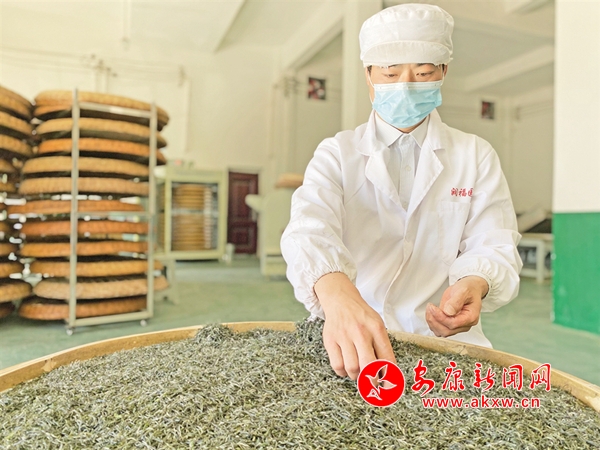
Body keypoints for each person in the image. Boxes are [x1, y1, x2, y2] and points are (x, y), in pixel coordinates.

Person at [280, 4, 522, 381]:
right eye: (390, 73)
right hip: (352, 331)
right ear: (368, 75)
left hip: (440, 340)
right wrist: (338, 296)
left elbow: (495, 242)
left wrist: (476, 281)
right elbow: (308, 229)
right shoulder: (338, 153)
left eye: (423, 73)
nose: (406, 86)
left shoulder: (475, 155)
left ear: (443, 72)